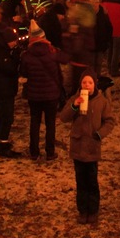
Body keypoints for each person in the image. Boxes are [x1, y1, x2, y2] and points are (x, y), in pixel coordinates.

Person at [59, 70, 117, 225]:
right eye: (84, 83)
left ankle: (93, 210)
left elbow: (110, 121)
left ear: (95, 84)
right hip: (78, 147)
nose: (87, 85)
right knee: (80, 181)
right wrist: (74, 105)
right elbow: (63, 117)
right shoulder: (75, 98)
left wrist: (99, 134)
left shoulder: (102, 102)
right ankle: (82, 210)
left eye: (90, 83)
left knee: (91, 180)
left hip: (92, 146)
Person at [19, 21, 71, 160]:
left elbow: (23, 73)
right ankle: (50, 151)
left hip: (34, 95)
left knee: (34, 123)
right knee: (50, 124)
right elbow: (66, 58)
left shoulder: (26, 55)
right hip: (51, 94)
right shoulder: (52, 52)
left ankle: (34, 152)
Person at [0, 28, 23, 158]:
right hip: (2, 90)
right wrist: (16, 58)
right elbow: (10, 69)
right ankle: (3, 146)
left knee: (0, 117)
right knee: (6, 118)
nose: (14, 43)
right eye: (13, 41)